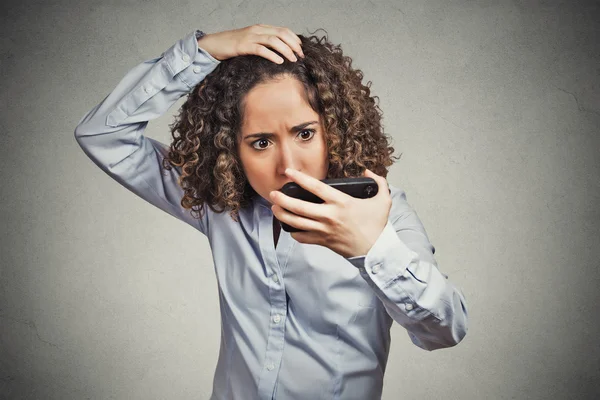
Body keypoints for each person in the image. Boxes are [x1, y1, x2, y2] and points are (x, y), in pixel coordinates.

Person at [74, 24, 468, 400]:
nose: (287, 166)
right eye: (261, 142)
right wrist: (202, 51)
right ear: (231, 150)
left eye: (305, 133)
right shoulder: (220, 204)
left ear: (334, 128)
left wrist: (371, 248)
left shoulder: (384, 214)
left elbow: (444, 330)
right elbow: (104, 136)